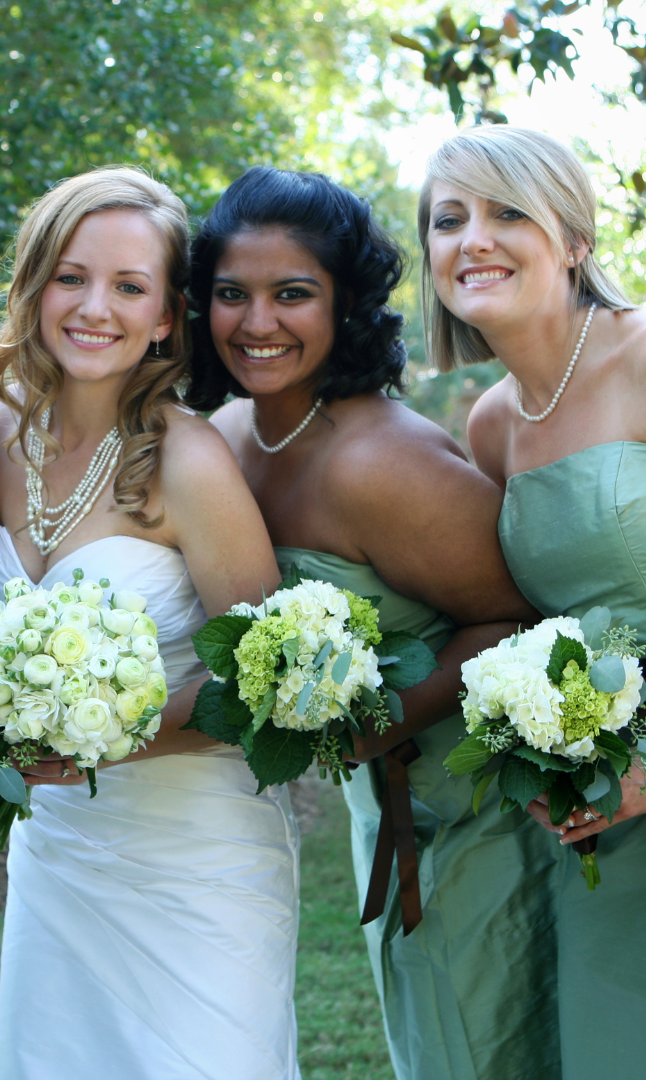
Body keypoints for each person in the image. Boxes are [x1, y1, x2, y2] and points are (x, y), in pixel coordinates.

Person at [189, 166, 545, 1080]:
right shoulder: (226, 436)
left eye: (292, 294)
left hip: (477, 813)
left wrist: (369, 726)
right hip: (382, 813)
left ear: (345, 303)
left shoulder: (384, 461)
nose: (256, 322)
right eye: (232, 294)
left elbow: (513, 620)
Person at [0, 166, 298, 1080]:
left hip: (195, 853)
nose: (95, 307)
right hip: (60, 850)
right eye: (72, 277)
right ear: (38, 286)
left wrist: (108, 739)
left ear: (166, 315)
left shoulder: (187, 457)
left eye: (129, 286)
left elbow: (263, 680)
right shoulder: (0, 436)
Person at [422, 125, 646, 1080]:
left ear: (575, 239)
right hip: (600, 804)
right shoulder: (491, 424)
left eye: (507, 212)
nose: (474, 238)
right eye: (449, 219)